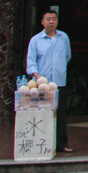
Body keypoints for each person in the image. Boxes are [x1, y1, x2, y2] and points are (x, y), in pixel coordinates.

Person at [26, 10, 73, 153]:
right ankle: (43, 144)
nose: (51, 21)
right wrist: (37, 76)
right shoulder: (36, 40)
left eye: (54, 19)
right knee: (42, 113)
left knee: (60, 115)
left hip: (59, 82)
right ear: (42, 22)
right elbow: (31, 61)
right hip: (42, 84)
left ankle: (61, 144)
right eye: (48, 19)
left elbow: (67, 56)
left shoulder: (63, 37)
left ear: (57, 21)